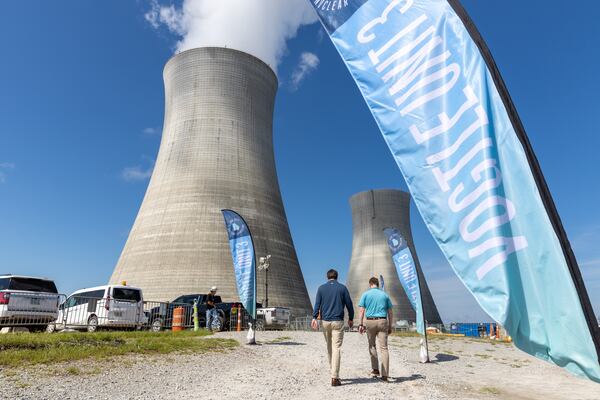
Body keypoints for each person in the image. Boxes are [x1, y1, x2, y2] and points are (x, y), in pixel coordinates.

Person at [311, 269, 354, 387]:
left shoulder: (321, 288)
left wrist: (314, 317)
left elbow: (317, 304)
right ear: (337, 277)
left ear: (327, 277)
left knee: (329, 347)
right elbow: (349, 304)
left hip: (325, 322)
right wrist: (351, 318)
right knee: (337, 348)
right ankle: (335, 376)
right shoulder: (342, 288)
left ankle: (332, 371)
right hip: (338, 322)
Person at [358, 277, 393, 382]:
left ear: (370, 284)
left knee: (372, 345)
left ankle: (375, 369)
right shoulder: (385, 295)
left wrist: (360, 324)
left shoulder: (366, 294)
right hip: (382, 321)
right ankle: (385, 374)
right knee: (384, 348)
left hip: (370, 322)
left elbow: (361, 311)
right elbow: (390, 312)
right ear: (378, 284)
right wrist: (390, 326)